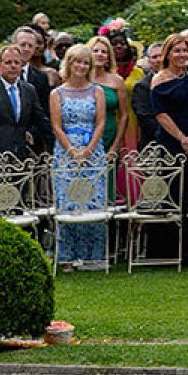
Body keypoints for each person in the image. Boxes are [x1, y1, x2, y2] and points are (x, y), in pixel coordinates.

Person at [52, 39, 124, 267]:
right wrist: (72, 150)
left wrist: (90, 149)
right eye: (77, 62)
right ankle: (67, 257)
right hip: (65, 151)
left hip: (93, 148)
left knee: (94, 200)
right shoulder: (57, 93)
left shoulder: (97, 91)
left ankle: (94, 256)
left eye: (86, 63)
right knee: (69, 201)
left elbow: (101, 122)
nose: (81, 67)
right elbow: (56, 126)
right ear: (69, 64)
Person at [150, 32, 188, 228]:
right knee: (174, 193)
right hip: (171, 145)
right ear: (168, 54)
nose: (183, 54)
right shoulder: (159, 80)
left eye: (185, 50)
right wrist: (182, 138)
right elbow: (160, 114)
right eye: (178, 51)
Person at [0, 41, 45, 168]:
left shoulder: (29, 90)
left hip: (21, 160)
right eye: (8, 62)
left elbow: (40, 120)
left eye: (17, 62)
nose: (13, 66)